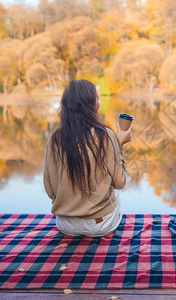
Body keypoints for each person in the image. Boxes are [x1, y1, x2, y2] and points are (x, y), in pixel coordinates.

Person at [43, 79, 132, 237]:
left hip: (65, 225)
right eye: (97, 99)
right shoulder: (106, 135)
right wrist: (118, 145)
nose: (98, 103)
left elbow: (50, 191)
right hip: (100, 225)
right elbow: (120, 182)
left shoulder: (54, 139)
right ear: (91, 105)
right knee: (116, 196)